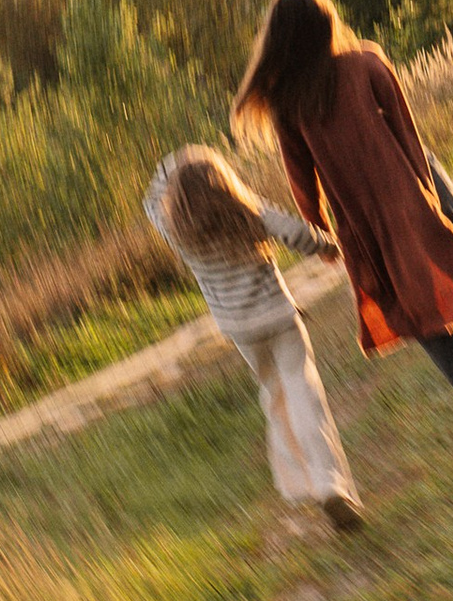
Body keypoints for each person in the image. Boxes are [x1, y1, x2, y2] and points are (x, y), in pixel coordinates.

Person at [231, 0, 453, 454]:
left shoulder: (287, 105)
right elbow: (407, 132)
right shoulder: (365, 62)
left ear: (279, 41)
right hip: (418, 188)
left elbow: (303, 183)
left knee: (422, 311)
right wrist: (427, 195)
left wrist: (323, 235)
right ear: (326, 25)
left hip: (365, 223)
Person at [142, 142, 365, 531]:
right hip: (278, 318)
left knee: (275, 395)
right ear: (224, 182)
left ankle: (300, 482)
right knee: (303, 392)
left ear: (177, 198)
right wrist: (329, 247)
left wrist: (176, 164)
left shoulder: (178, 232)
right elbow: (296, 232)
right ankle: (329, 483)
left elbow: (150, 201)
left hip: (242, 330)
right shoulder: (248, 211)